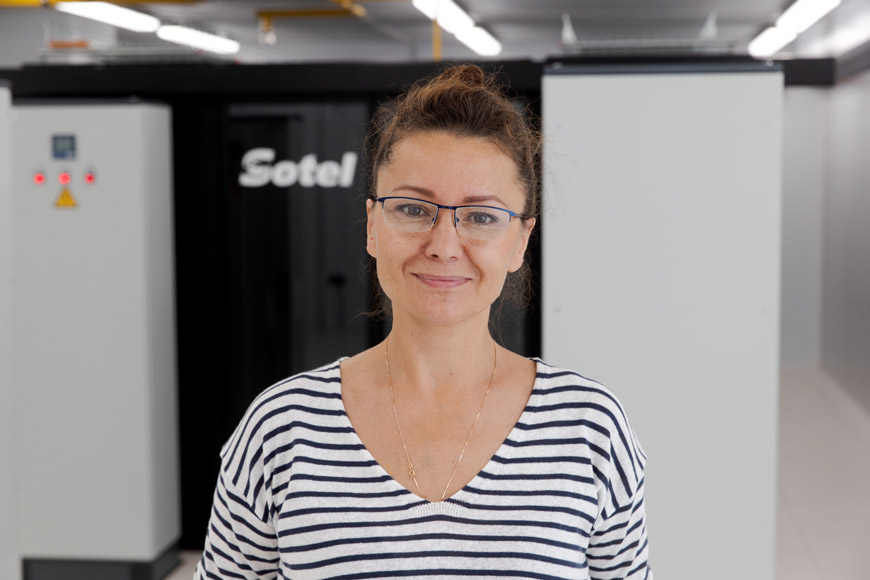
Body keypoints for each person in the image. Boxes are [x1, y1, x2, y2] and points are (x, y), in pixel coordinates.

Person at [195, 64, 652, 580]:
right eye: (413, 209)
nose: (443, 246)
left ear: (519, 241)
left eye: (481, 216)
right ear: (373, 226)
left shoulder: (589, 427)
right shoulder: (280, 427)